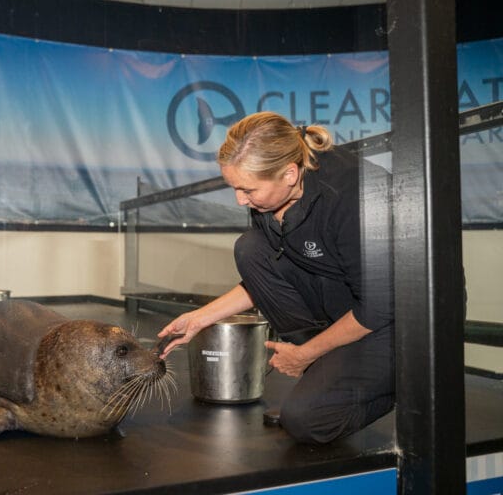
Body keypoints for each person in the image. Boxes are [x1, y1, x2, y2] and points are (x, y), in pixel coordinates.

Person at [157, 111, 394, 445]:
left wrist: (305, 353)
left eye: (247, 189)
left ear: (289, 174)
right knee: (250, 248)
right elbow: (269, 271)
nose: (240, 199)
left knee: (305, 422)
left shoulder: (355, 198)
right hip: (348, 295)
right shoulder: (270, 198)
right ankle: (328, 371)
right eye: (235, 188)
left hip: (406, 321)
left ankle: (401, 383)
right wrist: (199, 319)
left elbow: (379, 306)